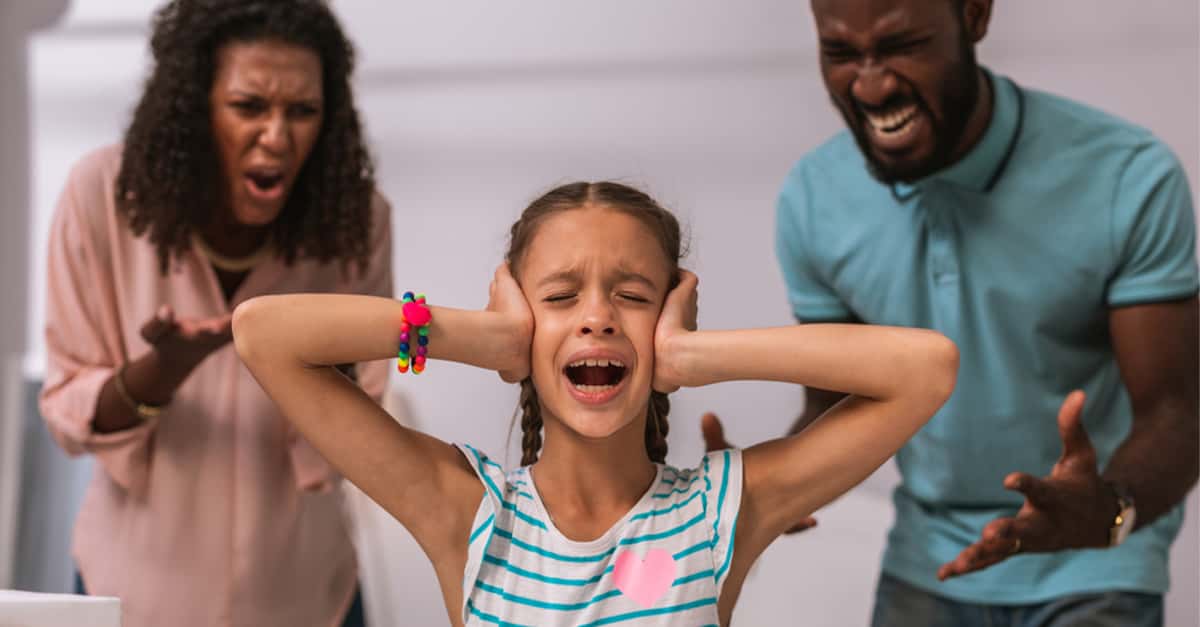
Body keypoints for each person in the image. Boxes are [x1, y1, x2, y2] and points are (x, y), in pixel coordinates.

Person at [231, 181, 959, 626]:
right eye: (559, 297)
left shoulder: (720, 511)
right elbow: (266, 334)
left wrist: (693, 357)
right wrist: (481, 337)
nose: (598, 317)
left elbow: (926, 369)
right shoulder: (469, 511)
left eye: (633, 295)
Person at [706, 0, 1198, 624]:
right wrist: (765, 482)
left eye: (902, 45)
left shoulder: (1127, 175)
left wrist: (1105, 508)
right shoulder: (814, 196)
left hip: (1092, 564)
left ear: (975, 16)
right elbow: (832, 401)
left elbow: (1176, 412)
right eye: (841, 53)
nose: (872, 87)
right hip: (928, 559)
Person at [37, 1, 392, 625]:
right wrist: (163, 371)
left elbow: (366, 414)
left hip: (305, 593)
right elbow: (69, 412)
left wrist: (328, 375)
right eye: (249, 106)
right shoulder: (100, 196)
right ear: (194, 109)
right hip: (134, 592)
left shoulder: (355, 222)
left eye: (302, 111)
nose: (277, 137)